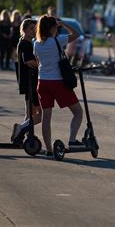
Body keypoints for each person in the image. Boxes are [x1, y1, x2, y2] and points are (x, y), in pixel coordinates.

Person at [33, 15, 83, 157]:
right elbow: (76, 34)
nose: (57, 29)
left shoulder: (36, 44)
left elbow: (38, 62)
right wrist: (64, 24)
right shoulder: (57, 40)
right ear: (51, 28)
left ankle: (49, 149)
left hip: (42, 82)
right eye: (56, 27)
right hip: (57, 82)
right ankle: (72, 140)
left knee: (46, 118)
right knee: (78, 112)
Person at [11, 19, 42, 142]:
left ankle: (26, 138)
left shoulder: (27, 43)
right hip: (30, 83)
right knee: (38, 115)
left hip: (30, 82)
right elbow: (28, 61)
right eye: (31, 29)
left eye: (35, 29)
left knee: (30, 113)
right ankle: (21, 130)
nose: (34, 31)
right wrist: (42, 65)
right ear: (24, 30)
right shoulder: (25, 44)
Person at [11, 10, 23, 75]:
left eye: (17, 14)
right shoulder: (11, 22)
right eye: (15, 14)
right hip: (13, 37)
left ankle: (18, 63)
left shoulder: (20, 22)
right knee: (13, 51)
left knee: (18, 51)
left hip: (18, 38)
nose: (16, 16)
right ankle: (13, 63)